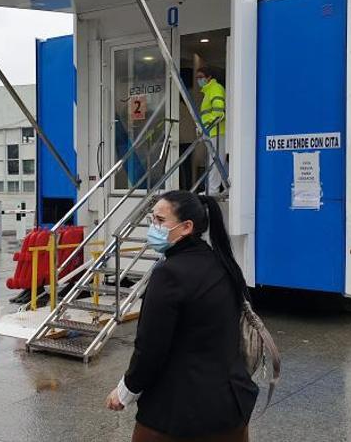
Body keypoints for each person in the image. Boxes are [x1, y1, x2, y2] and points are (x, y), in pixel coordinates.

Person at [106, 190, 258, 442]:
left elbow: (150, 348)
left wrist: (125, 391)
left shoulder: (169, 274)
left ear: (186, 227)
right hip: (231, 407)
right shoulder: (222, 263)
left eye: (160, 220)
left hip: (178, 413)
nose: (153, 227)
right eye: (152, 219)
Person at [196, 67, 227, 193]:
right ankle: (229, 186)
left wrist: (207, 125)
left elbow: (218, 112)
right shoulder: (208, 91)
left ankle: (213, 190)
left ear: (209, 77)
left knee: (215, 161)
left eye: (201, 77)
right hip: (213, 132)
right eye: (197, 78)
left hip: (217, 131)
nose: (199, 80)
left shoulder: (215, 89)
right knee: (221, 162)